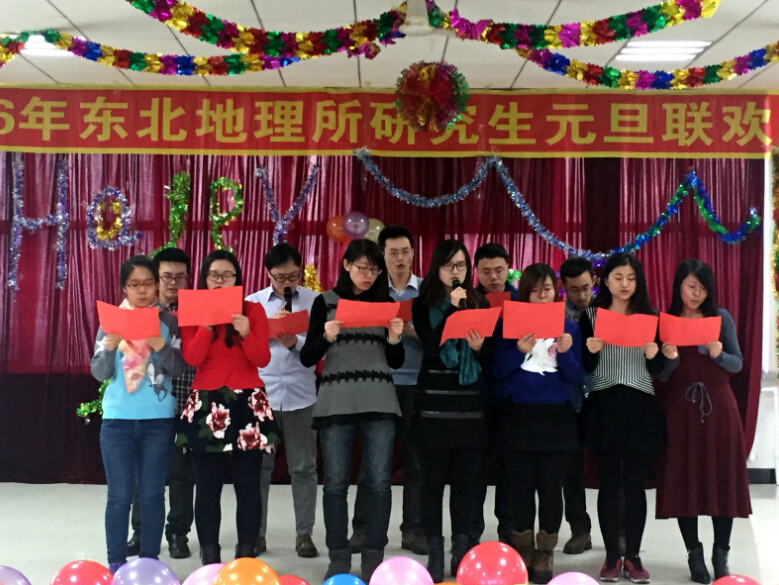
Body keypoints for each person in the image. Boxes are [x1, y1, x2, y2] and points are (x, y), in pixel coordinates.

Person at [300, 239, 405, 582]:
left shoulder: (386, 304)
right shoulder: (325, 302)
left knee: (379, 482)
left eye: (374, 269)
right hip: (336, 400)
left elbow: (396, 361)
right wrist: (326, 337)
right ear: (346, 265)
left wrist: (394, 339)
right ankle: (339, 557)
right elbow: (307, 357)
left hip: (379, 399)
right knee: (334, 483)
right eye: (362, 267)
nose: (368, 274)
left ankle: (374, 555)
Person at [177, 250, 278, 565]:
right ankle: (210, 555)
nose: (220, 281)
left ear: (237, 279)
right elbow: (191, 358)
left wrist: (246, 332)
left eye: (227, 275)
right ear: (204, 279)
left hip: (248, 401)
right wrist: (206, 327)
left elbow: (262, 358)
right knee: (207, 485)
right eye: (214, 275)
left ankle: (246, 553)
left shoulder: (253, 310)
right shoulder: (192, 309)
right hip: (206, 401)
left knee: (248, 484)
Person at [655, 259, 751, 584]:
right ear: (678, 287)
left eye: (702, 288)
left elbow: (737, 364)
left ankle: (720, 554)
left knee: (722, 482)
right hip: (680, 411)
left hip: (719, 409)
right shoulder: (666, 320)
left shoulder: (720, 317)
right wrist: (669, 359)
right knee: (685, 481)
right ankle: (693, 553)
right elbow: (661, 376)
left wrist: (718, 354)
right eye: (691, 286)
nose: (696, 293)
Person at [578, 252, 670, 584]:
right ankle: (611, 556)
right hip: (603, 405)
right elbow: (583, 368)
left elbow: (660, 370)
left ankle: (633, 555)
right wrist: (589, 351)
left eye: (631, 278)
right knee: (607, 485)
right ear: (606, 280)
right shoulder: (591, 315)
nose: (625, 284)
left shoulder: (651, 316)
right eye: (618, 277)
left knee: (634, 486)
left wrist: (656, 355)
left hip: (640, 406)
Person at [91, 255, 185, 574]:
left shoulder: (168, 322)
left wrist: (161, 347)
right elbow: (99, 372)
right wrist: (109, 348)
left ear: (157, 286)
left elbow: (179, 368)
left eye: (148, 283)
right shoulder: (111, 321)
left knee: (152, 495)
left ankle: (149, 562)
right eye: (135, 284)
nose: (142, 290)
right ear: (124, 288)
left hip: (157, 421)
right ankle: (116, 562)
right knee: (119, 495)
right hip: (117, 421)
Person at [494, 263, 582, 584]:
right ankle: (523, 548)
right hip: (518, 415)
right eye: (535, 290)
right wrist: (519, 350)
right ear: (525, 293)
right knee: (519, 486)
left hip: (556, 416)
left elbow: (576, 377)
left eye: (548, 289)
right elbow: (497, 371)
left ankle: (545, 550)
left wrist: (567, 353)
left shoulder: (568, 328)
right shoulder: (508, 324)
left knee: (550, 487)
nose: (542, 295)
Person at [411, 240, 490, 583]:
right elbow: (431, 345)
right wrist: (453, 311)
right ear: (437, 268)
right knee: (431, 485)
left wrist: (480, 347)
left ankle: (461, 551)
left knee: (465, 487)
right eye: (449, 266)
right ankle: (435, 554)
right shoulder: (422, 304)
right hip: (433, 409)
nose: (455, 271)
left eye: (460, 265)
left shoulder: (480, 302)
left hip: (469, 409)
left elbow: (489, 358)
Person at [350, 225, 427, 556]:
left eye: (405, 251)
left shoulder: (426, 292)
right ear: (382, 255)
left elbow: (439, 337)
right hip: (378, 384)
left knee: (416, 462)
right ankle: (362, 529)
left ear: (413, 253)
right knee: (373, 462)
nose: (400, 258)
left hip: (417, 384)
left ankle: (414, 529)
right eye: (393, 252)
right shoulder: (371, 291)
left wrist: (414, 331)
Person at [245, 243, 320, 558]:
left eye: (292, 276)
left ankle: (304, 535)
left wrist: (295, 342)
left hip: (302, 395)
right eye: (280, 277)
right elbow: (246, 349)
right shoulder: (253, 303)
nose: (287, 282)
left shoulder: (314, 301)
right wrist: (267, 329)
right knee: (259, 469)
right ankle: (257, 534)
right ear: (268, 273)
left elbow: (319, 348)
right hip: (263, 395)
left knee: (303, 469)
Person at [127, 248, 197, 560]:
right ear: (155, 279)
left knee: (182, 474)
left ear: (188, 279)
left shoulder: (197, 312)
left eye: (180, 277)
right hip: (150, 405)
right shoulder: (141, 311)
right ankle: (141, 530)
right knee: (145, 473)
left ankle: (178, 532)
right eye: (166, 276)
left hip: (186, 403)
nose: (173, 283)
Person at [472, 243, 517, 546]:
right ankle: (472, 529)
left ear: (508, 269)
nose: (493, 277)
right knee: (475, 466)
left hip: (512, 394)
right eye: (486, 271)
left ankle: (509, 530)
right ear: (476, 271)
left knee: (510, 467)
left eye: (499, 270)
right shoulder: (469, 300)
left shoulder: (520, 300)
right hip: (475, 393)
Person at [558, 256, 596, 555]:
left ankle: (620, 533)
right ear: (563, 287)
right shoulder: (557, 317)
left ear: (594, 281)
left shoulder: (606, 311)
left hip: (603, 396)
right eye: (573, 289)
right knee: (570, 469)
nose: (581, 295)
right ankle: (579, 529)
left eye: (585, 287)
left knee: (612, 468)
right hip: (570, 400)